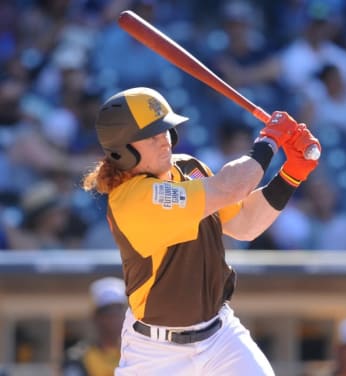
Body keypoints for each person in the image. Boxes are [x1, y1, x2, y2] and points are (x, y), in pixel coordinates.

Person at [82, 87, 320, 375]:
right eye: (152, 135)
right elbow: (230, 186)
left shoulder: (189, 168)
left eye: (165, 131)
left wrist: (291, 173)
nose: (164, 142)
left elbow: (245, 224)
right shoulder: (132, 199)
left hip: (221, 335)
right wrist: (269, 140)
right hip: (156, 353)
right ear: (123, 148)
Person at [62, 276, 127, 376]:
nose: (115, 319)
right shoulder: (77, 356)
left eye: (119, 312)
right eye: (108, 313)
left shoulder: (135, 353)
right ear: (96, 317)